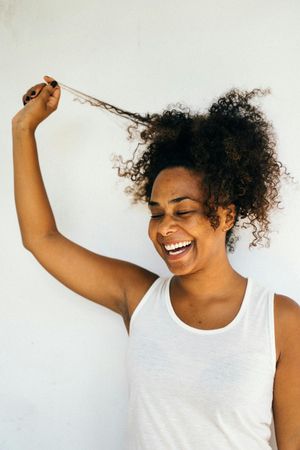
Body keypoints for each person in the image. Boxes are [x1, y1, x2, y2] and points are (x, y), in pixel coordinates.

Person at [12, 76, 300, 450]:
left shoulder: (279, 321)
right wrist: (22, 129)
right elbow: (41, 239)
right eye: (156, 213)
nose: (166, 228)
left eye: (183, 211)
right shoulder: (140, 297)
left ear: (226, 216)